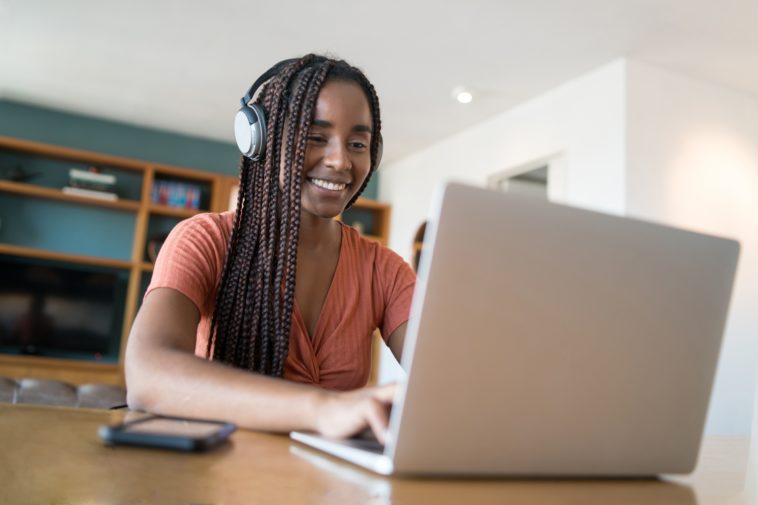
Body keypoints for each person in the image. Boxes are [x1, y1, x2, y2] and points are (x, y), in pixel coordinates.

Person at [125, 54, 416, 444]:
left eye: (358, 143)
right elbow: (147, 376)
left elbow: (444, 381)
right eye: (315, 137)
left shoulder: (385, 270)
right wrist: (324, 408)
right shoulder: (204, 240)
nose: (340, 160)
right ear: (261, 140)